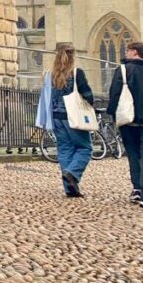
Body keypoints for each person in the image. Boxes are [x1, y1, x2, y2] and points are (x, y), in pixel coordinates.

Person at [35, 43, 95, 198]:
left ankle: (70, 188)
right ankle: (72, 173)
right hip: (74, 118)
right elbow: (88, 95)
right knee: (85, 148)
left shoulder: (50, 74)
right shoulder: (76, 73)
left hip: (56, 118)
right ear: (73, 55)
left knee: (65, 150)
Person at [108, 41, 143, 207]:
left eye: (128, 50)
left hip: (129, 120)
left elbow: (114, 94)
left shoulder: (122, 70)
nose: (126, 53)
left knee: (133, 154)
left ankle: (137, 188)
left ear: (135, 52)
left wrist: (112, 114)